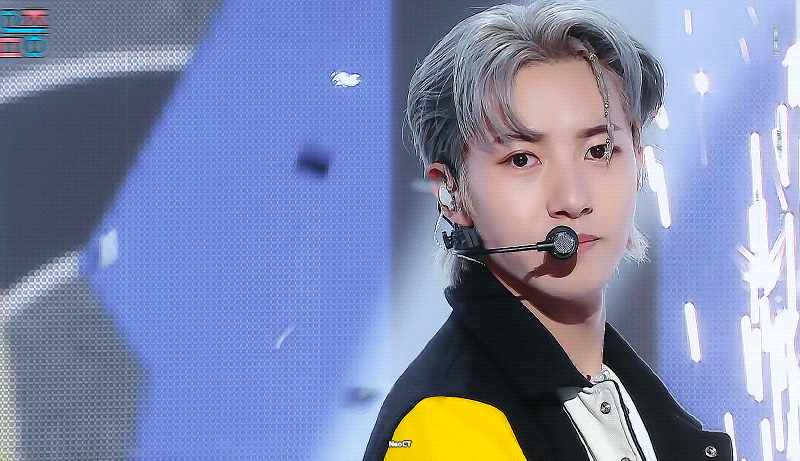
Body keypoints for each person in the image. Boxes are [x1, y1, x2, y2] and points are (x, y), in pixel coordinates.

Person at [363, 0, 734, 460]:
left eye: (599, 150)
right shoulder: (450, 424)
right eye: (522, 159)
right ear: (451, 191)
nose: (573, 199)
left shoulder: (627, 395)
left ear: (639, 163)